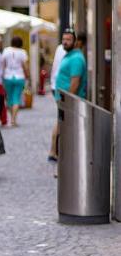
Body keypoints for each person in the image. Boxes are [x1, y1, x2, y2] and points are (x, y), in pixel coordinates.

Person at [48, 29, 75, 162]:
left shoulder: (61, 49)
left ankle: (54, 150)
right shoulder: (66, 51)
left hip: (56, 87)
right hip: (60, 90)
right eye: (64, 39)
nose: (66, 41)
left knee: (60, 119)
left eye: (69, 39)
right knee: (61, 119)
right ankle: (54, 150)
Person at [1, 35, 29, 127]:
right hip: (19, 76)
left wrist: (2, 75)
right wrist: (27, 75)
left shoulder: (6, 50)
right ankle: (13, 119)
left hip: (8, 77)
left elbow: (3, 64)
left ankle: (11, 117)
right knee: (17, 98)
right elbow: (25, 66)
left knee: (9, 98)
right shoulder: (22, 52)